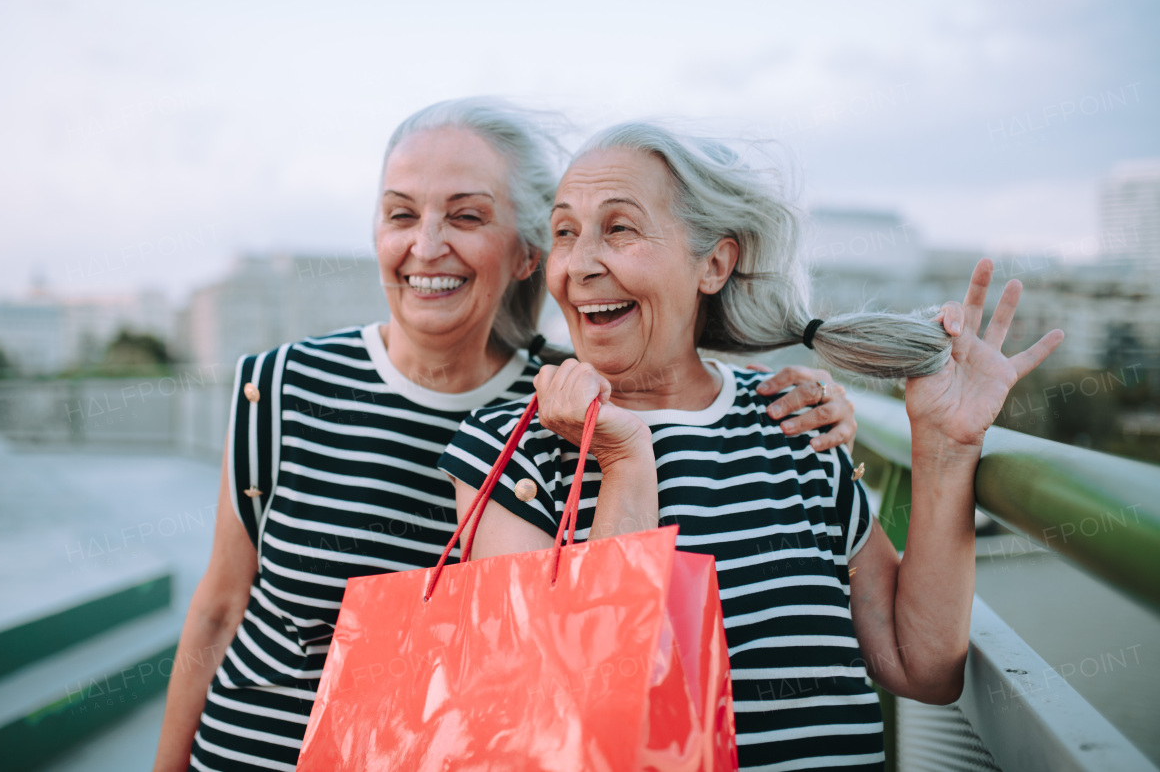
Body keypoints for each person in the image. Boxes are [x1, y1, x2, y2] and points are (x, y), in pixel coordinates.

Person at [152, 102, 854, 772]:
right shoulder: (280, 385)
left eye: (465, 215)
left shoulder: (565, 407)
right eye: (400, 213)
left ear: (526, 253)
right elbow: (218, 609)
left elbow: (566, 672)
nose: (426, 245)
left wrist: (815, 401)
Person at [441, 122, 1063, 771]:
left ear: (715, 262)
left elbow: (920, 664)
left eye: (618, 228)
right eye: (565, 231)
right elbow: (569, 710)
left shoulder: (794, 423)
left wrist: (945, 446)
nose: (581, 263)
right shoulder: (508, 453)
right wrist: (625, 462)